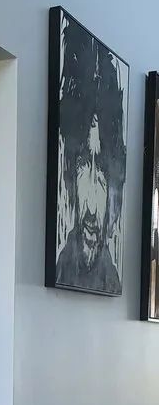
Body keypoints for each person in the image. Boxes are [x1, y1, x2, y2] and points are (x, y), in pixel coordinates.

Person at [53, 15, 126, 294]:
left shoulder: (113, 281)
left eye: (103, 177)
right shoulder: (60, 266)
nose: (93, 209)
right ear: (69, 175)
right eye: (84, 165)